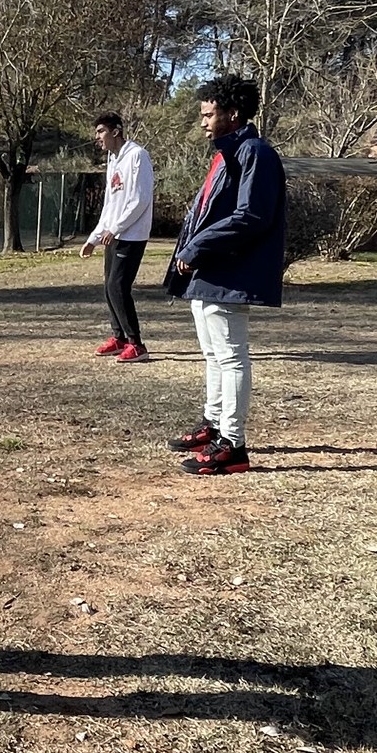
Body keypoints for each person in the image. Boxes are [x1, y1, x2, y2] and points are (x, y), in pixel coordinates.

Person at [164, 74, 287, 476]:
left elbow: (252, 215)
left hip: (231, 271)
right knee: (214, 355)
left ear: (232, 114)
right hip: (210, 270)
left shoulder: (255, 152)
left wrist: (198, 246)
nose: (203, 121)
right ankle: (214, 425)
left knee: (232, 357)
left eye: (209, 114)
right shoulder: (228, 153)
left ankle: (232, 444)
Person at [79, 111, 155, 362]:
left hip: (131, 234)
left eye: (101, 131)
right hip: (113, 234)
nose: (97, 137)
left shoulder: (137, 155)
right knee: (109, 286)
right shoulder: (113, 160)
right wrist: (94, 238)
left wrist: (118, 228)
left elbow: (140, 199)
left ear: (116, 131)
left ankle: (137, 344)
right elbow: (110, 205)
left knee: (118, 286)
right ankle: (119, 338)